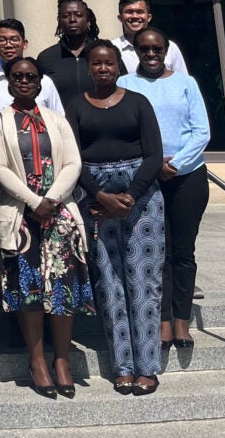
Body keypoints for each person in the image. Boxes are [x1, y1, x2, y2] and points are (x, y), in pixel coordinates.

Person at [0, 57, 93, 400]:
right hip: (22, 217)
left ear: (40, 82)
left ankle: (61, 360)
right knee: (28, 290)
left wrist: (52, 197)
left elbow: (73, 162)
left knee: (61, 289)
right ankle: (37, 362)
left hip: (59, 214)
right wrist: (34, 201)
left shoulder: (56, 120)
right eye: (17, 76)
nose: (24, 81)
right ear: (8, 81)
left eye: (31, 76)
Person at [65, 39, 163, 396]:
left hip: (142, 198)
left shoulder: (138, 102)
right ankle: (122, 365)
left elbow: (154, 154)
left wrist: (131, 195)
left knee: (143, 280)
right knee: (110, 282)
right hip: (96, 198)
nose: (102, 68)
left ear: (118, 65)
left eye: (108, 63)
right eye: (96, 63)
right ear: (89, 67)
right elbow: (73, 158)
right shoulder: (75, 106)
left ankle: (147, 367)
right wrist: (100, 195)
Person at [119, 27, 210, 350]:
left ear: (166, 50)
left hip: (187, 177)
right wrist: (154, 164)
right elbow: (125, 130)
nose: (151, 55)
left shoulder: (186, 83)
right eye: (145, 50)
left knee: (182, 252)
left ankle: (182, 321)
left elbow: (202, 131)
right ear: (137, 51)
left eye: (157, 49)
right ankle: (162, 321)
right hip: (147, 178)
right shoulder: (125, 84)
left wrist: (176, 163)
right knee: (157, 253)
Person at [0, 18, 63, 126]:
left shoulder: (45, 82)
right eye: (2, 40)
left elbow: (59, 121)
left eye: (14, 39)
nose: (8, 45)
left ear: (24, 44)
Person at [38, 0, 101, 107]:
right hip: (60, 122)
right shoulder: (46, 58)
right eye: (66, 16)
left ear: (88, 22)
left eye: (78, 15)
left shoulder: (103, 53)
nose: (72, 20)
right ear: (59, 22)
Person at [113, 0, 188, 75]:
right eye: (129, 12)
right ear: (120, 18)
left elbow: (183, 81)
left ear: (149, 17)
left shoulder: (169, 47)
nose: (135, 16)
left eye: (140, 12)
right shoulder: (112, 49)